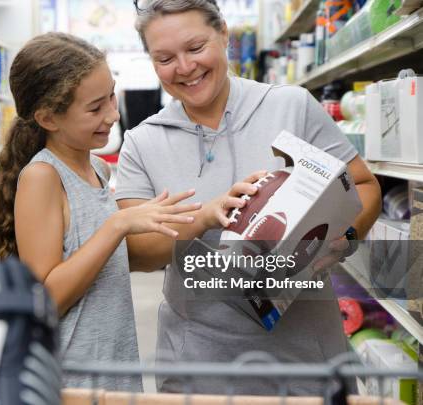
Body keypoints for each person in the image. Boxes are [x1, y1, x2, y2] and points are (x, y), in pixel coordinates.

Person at [116, 0, 382, 395]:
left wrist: (345, 239)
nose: (185, 68)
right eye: (165, 58)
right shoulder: (143, 143)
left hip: (307, 353)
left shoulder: (289, 106)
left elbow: (363, 185)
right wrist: (202, 217)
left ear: (223, 33)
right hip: (201, 360)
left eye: (195, 47)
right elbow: (139, 254)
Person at [0, 32, 201, 391]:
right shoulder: (42, 177)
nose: (113, 114)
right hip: (70, 382)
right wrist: (118, 225)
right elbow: (46, 299)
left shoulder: (98, 169)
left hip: (113, 370)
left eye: (112, 95)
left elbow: (103, 263)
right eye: (95, 108)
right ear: (49, 118)